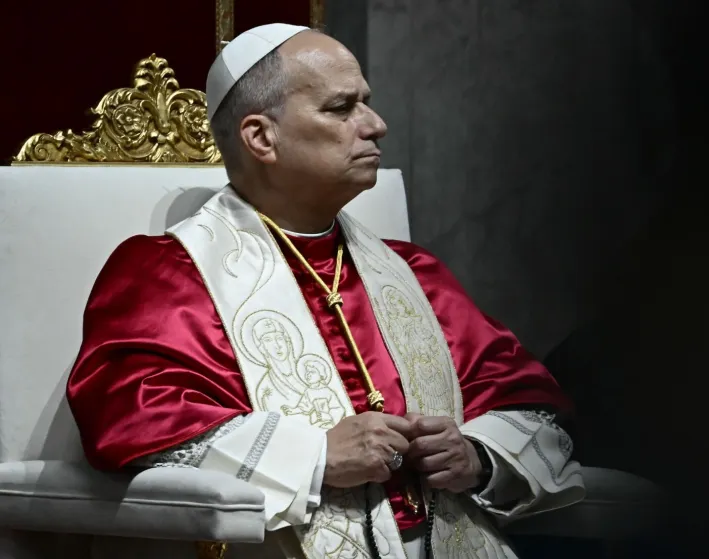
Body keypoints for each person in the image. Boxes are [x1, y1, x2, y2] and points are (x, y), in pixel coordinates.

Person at [66, 23, 584, 559]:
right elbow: (137, 418)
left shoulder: (415, 273)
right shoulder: (170, 274)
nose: (377, 125)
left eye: (368, 103)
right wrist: (313, 456)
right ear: (261, 137)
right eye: (342, 108)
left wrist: (477, 455)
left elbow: (527, 402)